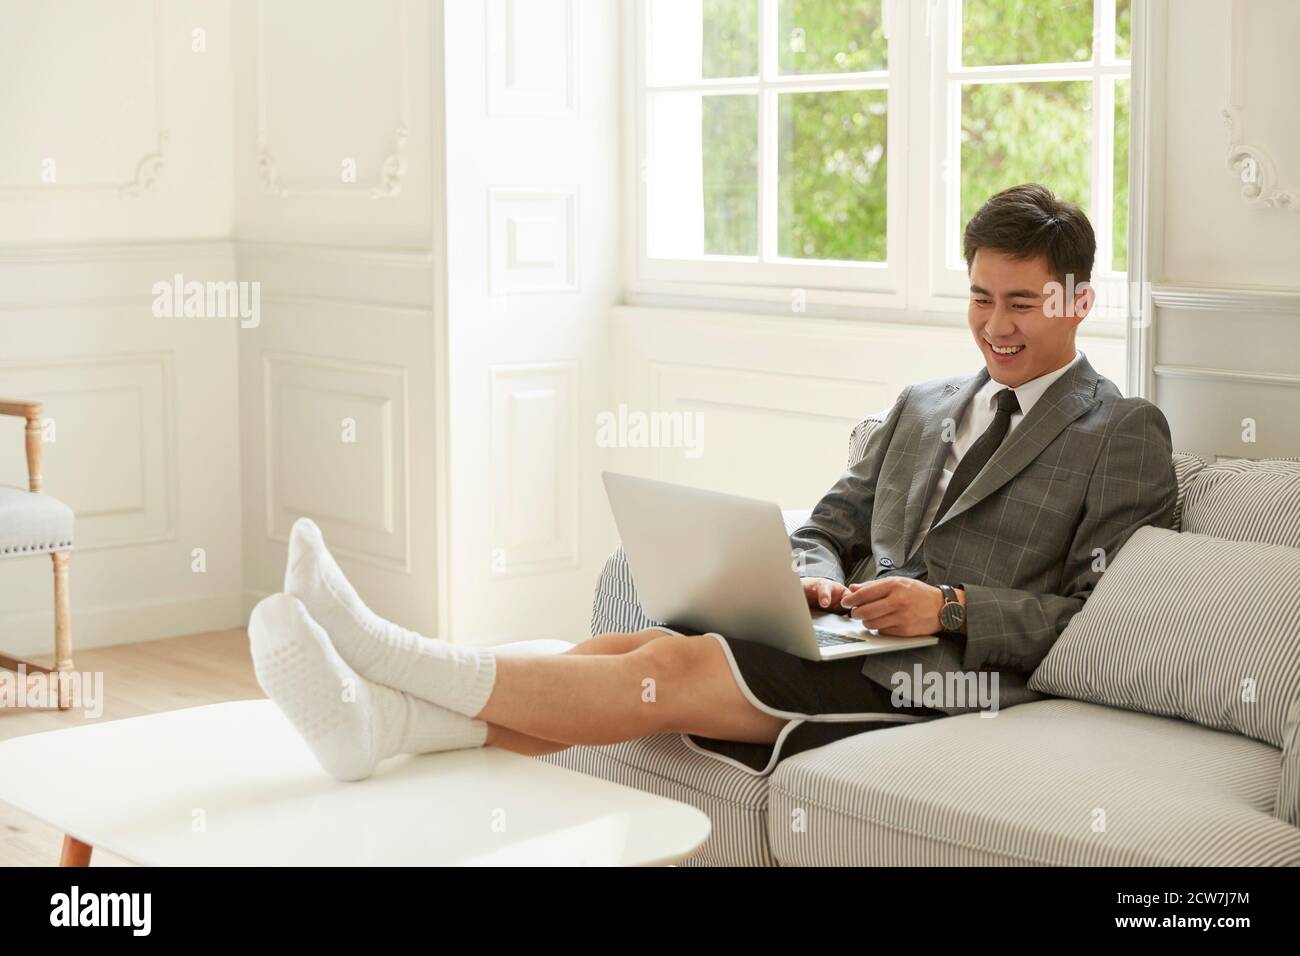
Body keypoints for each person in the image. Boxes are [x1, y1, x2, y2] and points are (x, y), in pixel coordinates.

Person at [249, 183, 1178, 781]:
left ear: (1079, 302)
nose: (996, 326)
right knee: (639, 647)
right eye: (981, 297)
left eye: (1023, 303)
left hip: (947, 679)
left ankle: (386, 657)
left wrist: (953, 609)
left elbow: (1108, 619)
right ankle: (380, 721)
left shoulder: (1120, 430)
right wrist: (809, 576)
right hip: (843, 641)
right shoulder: (925, 402)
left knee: (667, 664)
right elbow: (827, 522)